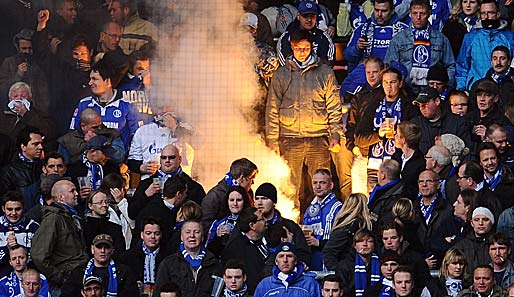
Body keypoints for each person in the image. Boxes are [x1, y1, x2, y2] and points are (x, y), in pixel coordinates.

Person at [266, 28, 342, 213]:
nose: (302, 52)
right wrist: (272, 139)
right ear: (291, 47)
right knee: (289, 185)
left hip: (318, 137)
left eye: (306, 48)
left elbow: (334, 105)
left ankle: (324, 219)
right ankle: (290, 222)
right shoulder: (282, 74)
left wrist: (335, 133)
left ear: (311, 47)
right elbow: (272, 108)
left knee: (322, 183)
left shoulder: (324, 72)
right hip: (290, 138)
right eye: (298, 48)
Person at [353, 67, 417, 192]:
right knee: (373, 206)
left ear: (400, 83)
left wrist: (399, 132)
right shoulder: (373, 106)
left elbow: (414, 137)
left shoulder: (408, 107)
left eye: (392, 82)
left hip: (398, 166)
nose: (389, 86)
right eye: (385, 82)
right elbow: (359, 138)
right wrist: (378, 135)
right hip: (374, 168)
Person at [30, 180, 88, 295]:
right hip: (64, 285)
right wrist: (59, 277)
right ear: (61, 197)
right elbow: (38, 254)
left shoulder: (71, 216)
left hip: (78, 278)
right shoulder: (53, 218)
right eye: (72, 191)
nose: (77, 194)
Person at [69, 58, 140, 151]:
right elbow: (73, 134)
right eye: (90, 79)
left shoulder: (127, 106)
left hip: (118, 162)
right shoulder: (84, 104)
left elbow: (136, 138)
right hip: (89, 159)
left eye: (94, 79)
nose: (90, 83)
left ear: (108, 82)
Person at [384, 0, 455, 91]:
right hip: (406, 91)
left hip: (432, 91)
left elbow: (450, 66)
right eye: (414, 13)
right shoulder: (398, 39)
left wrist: (445, 88)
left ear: (429, 13)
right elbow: (389, 67)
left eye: (422, 13)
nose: (418, 17)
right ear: (410, 14)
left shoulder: (441, 39)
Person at [128, 144, 204, 221]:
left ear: (180, 159)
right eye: (164, 157)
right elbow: (132, 213)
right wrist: (145, 195)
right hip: (152, 231)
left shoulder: (193, 187)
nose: (167, 160)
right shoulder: (146, 184)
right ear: (160, 160)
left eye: (172, 157)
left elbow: (200, 215)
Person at [456, 0, 514, 91]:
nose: (486, 17)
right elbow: (462, 65)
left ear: (498, 14)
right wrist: (461, 88)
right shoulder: (470, 37)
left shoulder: (509, 37)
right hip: (476, 88)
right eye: (483, 13)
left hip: (502, 89)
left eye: (490, 13)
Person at [153, 220, 223, 297]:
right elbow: (158, 293)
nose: (192, 235)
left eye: (196, 232)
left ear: (202, 237)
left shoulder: (214, 263)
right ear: (181, 237)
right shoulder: (168, 263)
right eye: (188, 232)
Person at [61, 234, 139, 297]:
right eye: (99, 247)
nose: (102, 251)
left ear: (112, 250)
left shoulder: (124, 273)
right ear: (92, 249)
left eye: (107, 247)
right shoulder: (78, 272)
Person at [254, 183, 311, 266]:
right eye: (257, 199)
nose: (259, 203)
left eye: (264, 198)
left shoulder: (290, 227)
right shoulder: (250, 226)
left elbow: (304, 255)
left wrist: (290, 246)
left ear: (274, 202)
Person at [344, 0, 408, 72]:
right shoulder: (363, 29)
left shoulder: (404, 30)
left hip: (392, 78)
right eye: (377, 10)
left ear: (392, 10)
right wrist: (357, 48)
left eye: (384, 11)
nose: (379, 14)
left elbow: (409, 60)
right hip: (367, 77)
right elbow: (347, 56)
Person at [0, 28, 50, 113]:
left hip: (34, 112)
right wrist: (18, 75)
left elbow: (44, 95)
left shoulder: (38, 66)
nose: (27, 51)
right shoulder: (9, 63)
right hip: (11, 112)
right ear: (18, 48)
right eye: (24, 48)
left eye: (30, 48)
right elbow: (2, 88)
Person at [302, 168, 343, 271]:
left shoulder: (338, 207)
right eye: (315, 183)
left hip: (329, 266)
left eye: (322, 183)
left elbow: (342, 240)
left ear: (331, 185)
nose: (318, 186)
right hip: (312, 263)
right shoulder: (309, 209)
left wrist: (319, 243)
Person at [411, 87, 471, 155]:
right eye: (419, 105)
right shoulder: (415, 124)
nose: (422, 108)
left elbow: (467, 149)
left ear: (437, 101)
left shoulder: (457, 122)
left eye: (426, 104)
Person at [221, 207, 268, 293]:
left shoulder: (270, 240)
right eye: (262, 219)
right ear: (252, 225)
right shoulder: (235, 248)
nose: (265, 221)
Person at [201, 158, 257, 230]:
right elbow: (205, 226)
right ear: (242, 178)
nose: (252, 183)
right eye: (251, 178)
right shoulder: (214, 197)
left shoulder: (248, 192)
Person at [118, 217, 169, 296]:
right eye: (148, 233)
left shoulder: (168, 257)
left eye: (156, 233)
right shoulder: (128, 257)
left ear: (161, 235)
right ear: (142, 235)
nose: (153, 237)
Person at [322, 193, 373, 271]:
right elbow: (329, 252)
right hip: (350, 271)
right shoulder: (350, 226)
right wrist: (340, 273)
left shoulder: (343, 224)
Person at [58, 108, 125, 166]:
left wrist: (99, 141)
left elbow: (119, 157)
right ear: (83, 126)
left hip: (107, 176)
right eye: (95, 127)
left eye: (101, 125)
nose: (99, 129)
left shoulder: (111, 134)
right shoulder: (67, 140)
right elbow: (64, 166)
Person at [276, 0, 334, 66]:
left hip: (318, 75)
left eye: (312, 16)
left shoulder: (323, 37)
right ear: (298, 16)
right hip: (292, 75)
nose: (309, 20)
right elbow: (284, 65)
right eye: (305, 16)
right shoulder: (286, 37)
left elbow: (329, 63)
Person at [415, 170, 453, 269]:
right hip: (418, 262)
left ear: (438, 184)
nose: (424, 185)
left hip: (441, 263)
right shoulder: (412, 208)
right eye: (421, 181)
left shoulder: (448, 208)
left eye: (429, 181)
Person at [0, 127, 45, 211]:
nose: (40, 147)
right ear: (23, 147)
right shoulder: (9, 171)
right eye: (35, 144)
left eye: (41, 143)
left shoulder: (45, 167)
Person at [253, 242, 321, 297]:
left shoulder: (310, 284)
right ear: (276, 261)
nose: (285, 260)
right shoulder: (264, 285)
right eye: (281, 256)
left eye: (289, 256)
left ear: (295, 261)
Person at [135, 175, 188, 243]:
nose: (186, 196)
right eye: (185, 193)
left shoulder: (169, 208)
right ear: (178, 194)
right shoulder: (154, 211)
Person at [0, 191, 40, 276]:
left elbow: (39, 258)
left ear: (23, 208)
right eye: (9, 209)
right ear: (3, 209)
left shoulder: (34, 227)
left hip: (28, 280)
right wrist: (7, 249)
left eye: (18, 209)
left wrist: (21, 251)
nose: (13, 213)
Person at [206, 186, 251, 256]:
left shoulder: (252, 221)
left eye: (239, 200)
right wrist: (217, 237)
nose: (235, 204)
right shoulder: (218, 222)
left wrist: (234, 234)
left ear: (244, 201)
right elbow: (208, 250)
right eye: (231, 200)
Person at [336, 229, 381, 296]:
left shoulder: (381, 264)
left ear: (374, 245)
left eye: (369, 241)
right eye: (360, 241)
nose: (365, 244)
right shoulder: (344, 266)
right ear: (354, 245)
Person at [454, 207, 496, 277]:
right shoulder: (461, 246)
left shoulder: (498, 245)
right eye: (476, 220)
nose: (480, 223)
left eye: (485, 219)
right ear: (472, 223)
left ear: (491, 222)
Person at [83, 190, 126, 256]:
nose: (104, 205)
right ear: (90, 206)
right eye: (100, 202)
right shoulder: (83, 228)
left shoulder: (115, 228)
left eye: (106, 202)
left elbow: (121, 252)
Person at [392, 121, 425, 200]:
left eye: (397, 134)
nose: (394, 136)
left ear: (403, 140)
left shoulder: (420, 162)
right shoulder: (396, 156)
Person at [368, 159, 404, 228]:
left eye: (378, 172)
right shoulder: (380, 191)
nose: (377, 175)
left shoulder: (395, 196)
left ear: (382, 175)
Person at [479, 142, 514, 210]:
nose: (490, 163)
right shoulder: (477, 184)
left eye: (493, 158)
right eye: (485, 160)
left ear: (497, 158)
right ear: (480, 163)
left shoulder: (510, 181)